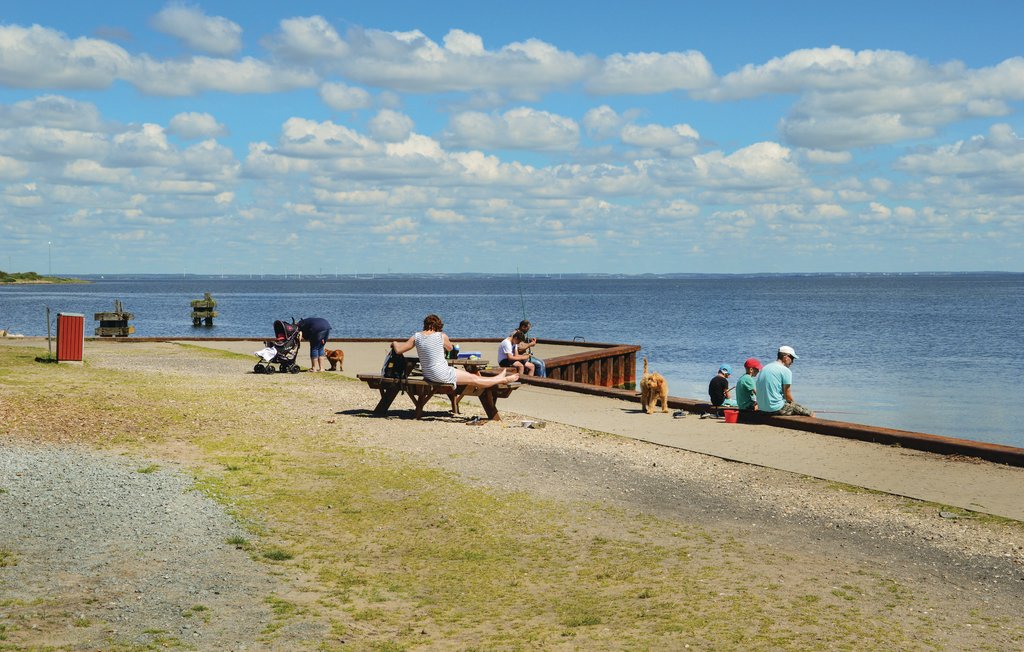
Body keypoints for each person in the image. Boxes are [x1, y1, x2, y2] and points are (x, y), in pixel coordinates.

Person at [392, 314, 518, 388]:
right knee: (474, 379)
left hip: (428, 374)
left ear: (425, 325)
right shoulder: (441, 336)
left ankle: (499, 378)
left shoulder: (416, 336)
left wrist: (394, 343)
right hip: (441, 373)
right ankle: (501, 380)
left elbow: (398, 350)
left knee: (472, 377)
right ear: (437, 326)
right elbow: (451, 348)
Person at [754, 345, 814, 417]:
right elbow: (787, 395)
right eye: (792, 358)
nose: (792, 362)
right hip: (775, 409)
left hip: (762, 408)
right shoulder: (786, 371)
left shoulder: (765, 367)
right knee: (810, 413)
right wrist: (794, 406)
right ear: (786, 357)